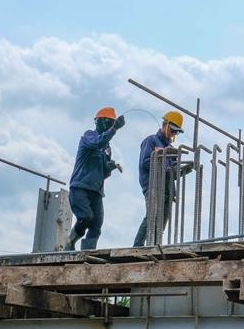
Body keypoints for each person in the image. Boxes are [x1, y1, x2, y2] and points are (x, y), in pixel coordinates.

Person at [64, 107, 125, 250]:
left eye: (111, 122)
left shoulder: (107, 148)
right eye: (107, 121)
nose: (109, 124)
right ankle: (70, 241)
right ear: (97, 121)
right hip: (80, 187)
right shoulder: (89, 136)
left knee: (96, 225)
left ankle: (87, 252)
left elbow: (103, 172)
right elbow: (97, 142)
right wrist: (115, 129)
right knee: (85, 217)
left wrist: (109, 167)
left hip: (96, 191)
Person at [133, 111, 184, 247]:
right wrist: (165, 167)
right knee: (152, 215)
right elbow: (145, 163)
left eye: (176, 132)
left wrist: (182, 171)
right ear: (164, 125)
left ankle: (155, 246)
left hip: (167, 188)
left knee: (162, 221)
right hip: (153, 185)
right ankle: (138, 246)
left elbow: (172, 172)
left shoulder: (171, 149)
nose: (173, 134)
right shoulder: (151, 141)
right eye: (172, 130)